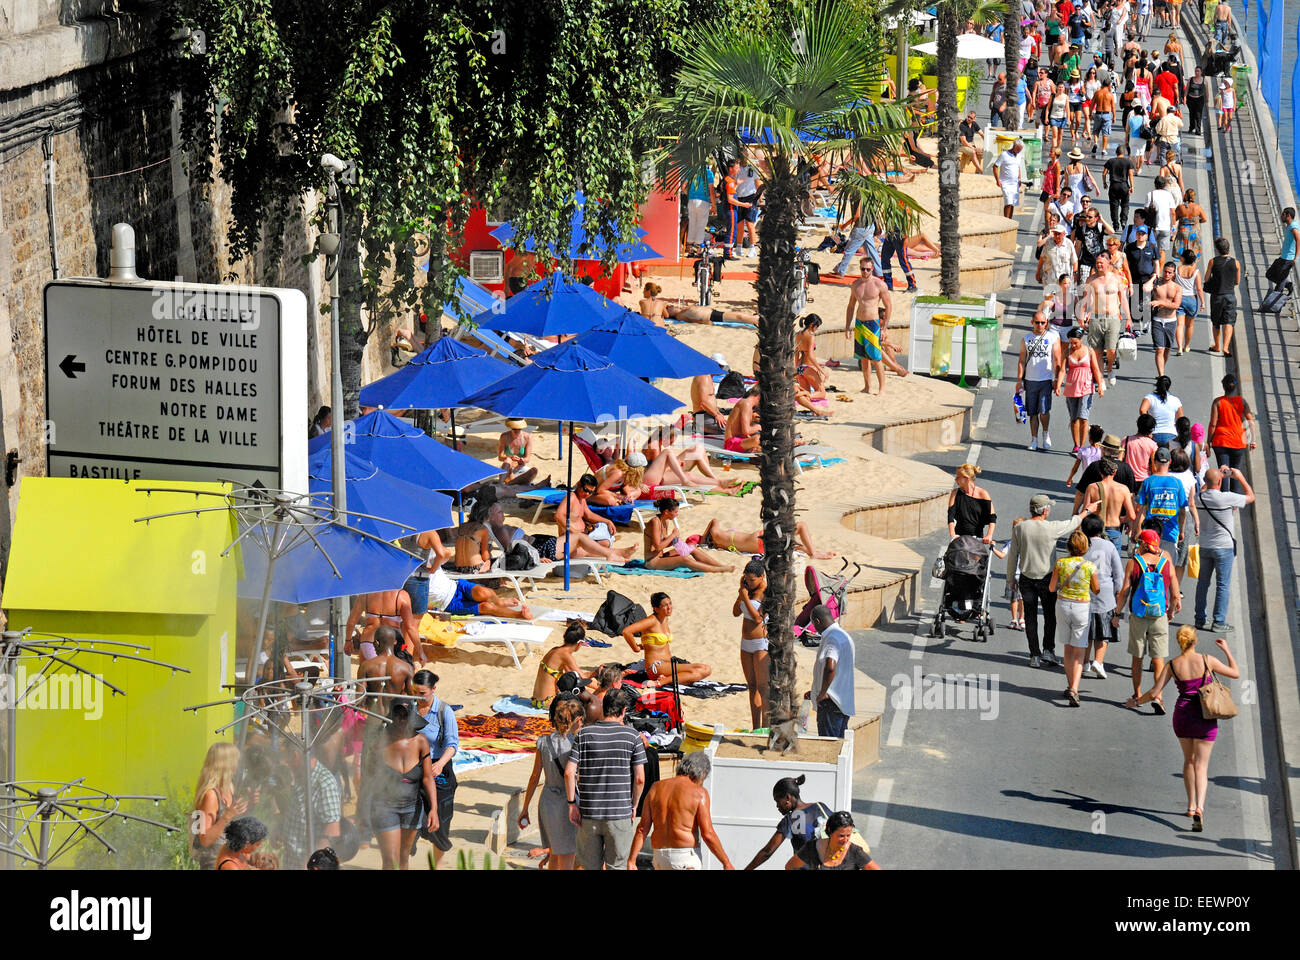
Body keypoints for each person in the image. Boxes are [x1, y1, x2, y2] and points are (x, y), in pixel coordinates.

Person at [1127, 627, 1239, 831]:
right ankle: (1200, 808)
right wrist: (1227, 651)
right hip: (1204, 716)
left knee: (1189, 761)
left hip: (1183, 715)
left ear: (1180, 642)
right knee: (1201, 766)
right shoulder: (1207, 660)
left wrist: (1135, 702)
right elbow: (1235, 673)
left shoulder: (1172, 665)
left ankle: (1190, 805)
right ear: (1195, 641)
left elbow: (1154, 693)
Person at [1007, 492, 1096, 667]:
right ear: (1044, 510)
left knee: (1030, 617)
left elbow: (1013, 555)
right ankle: (1048, 650)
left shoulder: (1020, 528)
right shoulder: (1052, 527)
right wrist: (1087, 510)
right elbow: (1073, 522)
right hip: (1047, 578)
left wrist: (1010, 578)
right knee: (1049, 616)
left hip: (1026, 578)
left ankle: (1034, 655)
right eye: (1048, 508)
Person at [565, 687, 646, 870]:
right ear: (624, 711)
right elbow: (640, 778)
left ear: (603, 708)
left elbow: (569, 772)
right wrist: (634, 805)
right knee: (617, 866)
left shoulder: (584, 734)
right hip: (619, 813)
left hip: (589, 813)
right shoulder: (633, 736)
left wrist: (572, 804)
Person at [627, 751, 732, 870]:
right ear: (702, 773)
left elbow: (642, 829)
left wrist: (632, 860)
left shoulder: (655, 788)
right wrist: (726, 862)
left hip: (659, 857)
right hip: (685, 859)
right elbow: (707, 834)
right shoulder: (699, 793)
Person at [1116, 529, 1180, 712]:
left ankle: (1137, 694)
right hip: (1159, 615)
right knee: (1158, 659)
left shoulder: (1133, 563)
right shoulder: (1166, 563)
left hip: (1138, 615)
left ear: (1143, 544)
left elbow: (1124, 592)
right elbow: (1175, 595)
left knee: (1137, 658)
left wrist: (1117, 614)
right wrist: (1170, 612)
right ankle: (1158, 696)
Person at [370, 700, 437, 870]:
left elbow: (428, 778)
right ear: (391, 717)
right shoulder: (380, 742)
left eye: (405, 716)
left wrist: (434, 809)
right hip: (385, 807)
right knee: (390, 861)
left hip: (412, 808)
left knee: (403, 858)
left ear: (411, 718)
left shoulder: (420, 741)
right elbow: (369, 778)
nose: (401, 720)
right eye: (397, 715)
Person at [520, 697, 583, 870]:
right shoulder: (575, 744)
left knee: (554, 853)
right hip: (568, 801)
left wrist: (525, 808)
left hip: (547, 802)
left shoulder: (543, 742)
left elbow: (534, 777)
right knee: (568, 855)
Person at [1195, 467, 1254, 631]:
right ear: (1220, 481)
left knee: (1203, 583)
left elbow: (1205, 488)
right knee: (1222, 585)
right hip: (1224, 547)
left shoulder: (1198, 497)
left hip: (1205, 545)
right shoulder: (1227, 498)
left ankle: (1200, 619)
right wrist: (1239, 477)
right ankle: (1219, 622)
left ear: (1205, 482)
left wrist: (1214, 477)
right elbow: (1251, 497)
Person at [412, 670, 459, 866]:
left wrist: (439, 764)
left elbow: (452, 744)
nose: (418, 697)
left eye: (422, 693)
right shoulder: (410, 708)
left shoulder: (444, 711)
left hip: (439, 771)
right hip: (415, 768)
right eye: (415, 692)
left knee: (440, 823)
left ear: (433, 689)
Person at [1049, 530, 1101, 706]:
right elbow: (1096, 589)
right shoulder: (1090, 566)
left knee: (1067, 648)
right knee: (1080, 651)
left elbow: (1051, 588)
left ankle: (1070, 684)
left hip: (1063, 605)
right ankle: (1074, 689)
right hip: (1082, 607)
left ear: (1069, 546)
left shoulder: (1060, 563)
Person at [745, 774, 834, 869]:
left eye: (778, 801)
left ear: (788, 798)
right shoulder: (820, 807)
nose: (777, 806)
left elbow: (767, 852)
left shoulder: (790, 820)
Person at [621, 592, 712, 685]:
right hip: (656, 666)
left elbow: (653, 642)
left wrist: (646, 645)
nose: (669, 607)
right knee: (700, 671)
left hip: (668, 664)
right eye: (665, 605)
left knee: (706, 669)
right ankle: (660, 682)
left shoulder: (665, 619)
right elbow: (626, 632)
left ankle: (667, 679)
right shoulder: (651, 621)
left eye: (670, 603)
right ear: (656, 609)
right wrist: (636, 648)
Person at [1137, 445, 1198, 574]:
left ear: (1154, 462)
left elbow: (1141, 509)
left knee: (1148, 571)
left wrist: (1136, 530)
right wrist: (1181, 530)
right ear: (1170, 462)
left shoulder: (1148, 481)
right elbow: (1183, 510)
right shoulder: (1177, 483)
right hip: (1171, 532)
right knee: (1167, 572)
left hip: (1150, 533)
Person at [190, 743, 249, 870]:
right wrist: (227, 816)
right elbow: (205, 839)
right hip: (214, 863)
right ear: (225, 764)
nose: (238, 765)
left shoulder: (230, 788)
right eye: (235, 761)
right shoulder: (210, 795)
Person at [1082, 512, 1125, 679]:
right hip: (1105, 593)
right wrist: (1118, 592)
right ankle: (1098, 662)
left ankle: (1085, 661)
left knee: (1087, 631)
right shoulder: (1109, 546)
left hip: (1084, 592)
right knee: (1104, 631)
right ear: (1101, 529)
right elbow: (1118, 573)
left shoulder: (1081, 544)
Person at [554, 474, 637, 561]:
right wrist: (574, 532)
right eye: (585, 490)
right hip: (570, 539)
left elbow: (588, 515)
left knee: (605, 542)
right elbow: (558, 516)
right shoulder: (571, 497)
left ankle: (617, 553)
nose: (587, 494)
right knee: (581, 551)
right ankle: (620, 552)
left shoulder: (582, 499)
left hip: (583, 535)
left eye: (591, 492)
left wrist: (608, 521)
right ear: (579, 484)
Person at [1077, 251, 1130, 384]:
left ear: (1108, 263)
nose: (1099, 265)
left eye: (1101, 263)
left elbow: (1123, 299)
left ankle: (1110, 368)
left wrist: (1129, 318)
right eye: (1097, 263)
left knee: (1111, 350)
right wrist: (1081, 317)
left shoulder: (1116, 279)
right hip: (1096, 318)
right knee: (1097, 352)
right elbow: (1085, 300)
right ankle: (1099, 379)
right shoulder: (1091, 280)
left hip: (1113, 318)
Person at [643, 498, 733, 573]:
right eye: (675, 512)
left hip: (661, 556)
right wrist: (672, 535)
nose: (677, 514)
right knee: (684, 559)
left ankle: (720, 566)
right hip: (652, 562)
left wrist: (674, 541)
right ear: (666, 512)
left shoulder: (665, 522)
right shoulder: (655, 522)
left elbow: (662, 543)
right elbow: (658, 547)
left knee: (691, 547)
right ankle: (716, 570)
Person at [1017, 312, 1064, 452]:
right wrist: (1019, 380)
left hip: (1046, 379)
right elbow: (1021, 361)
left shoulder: (1052, 338)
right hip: (1030, 380)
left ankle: (1045, 433)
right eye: (1037, 322)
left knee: (1044, 410)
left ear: (1046, 323)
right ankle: (1034, 439)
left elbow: (1057, 359)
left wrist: (1056, 379)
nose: (1040, 325)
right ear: (1032, 322)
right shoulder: (1026, 339)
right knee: (1032, 412)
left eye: (1043, 322)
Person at [845, 261, 893, 394]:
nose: (865, 272)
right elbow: (851, 306)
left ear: (872, 269)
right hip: (859, 323)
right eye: (862, 269)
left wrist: (884, 328)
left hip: (873, 324)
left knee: (876, 358)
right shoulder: (856, 285)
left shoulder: (879, 284)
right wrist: (847, 327)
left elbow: (888, 306)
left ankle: (882, 388)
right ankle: (867, 387)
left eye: (868, 269)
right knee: (863, 358)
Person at [808, 604, 856, 738]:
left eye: (813, 624)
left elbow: (830, 667)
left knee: (829, 744)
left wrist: (822, 693)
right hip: (841, 702)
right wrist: (815, 690)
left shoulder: (832, 639)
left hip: (830, 703)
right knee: (839, 743)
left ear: (817, 621)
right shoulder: (842, 635)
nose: (814, 628)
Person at [734, 558, 770, 730]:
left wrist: (744, 597)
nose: (749, 582)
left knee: (763, 687)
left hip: (760, 643)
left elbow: (757, 618)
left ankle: (766, 727)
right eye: (746, 579)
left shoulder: (767, 593)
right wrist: (741, 593)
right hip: (746, 643)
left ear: (762, 576)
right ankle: (756, 727)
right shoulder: (747, 590)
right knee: (752, 686)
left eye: (752, 580)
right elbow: (735, 612)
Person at [1057, 327, 1105, 451]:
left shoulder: (1089, 351)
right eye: (1071, 343)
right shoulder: (1067, 352)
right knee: (1074, 419)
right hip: (1071, 388)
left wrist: (1100, 385)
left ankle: (1082, 446)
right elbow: (1062, 370)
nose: (1073, 345)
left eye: (1075, 343)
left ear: (1081, 340)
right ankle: (1076, 445)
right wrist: (1058, 385)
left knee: (1083, 417)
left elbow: (1096, 369)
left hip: (1086, 387)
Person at [1206, 373, 1256, 492]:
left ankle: (1223, 496)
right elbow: (1251, 422)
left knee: (1224, 471)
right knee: (1235, 471)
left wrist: (1208, 441)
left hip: (1221, 441)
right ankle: (1234, 499)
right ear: (1235, 387)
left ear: (1223, 386)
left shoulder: (1218, 402)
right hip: (1238, 442)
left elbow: (1213, 424)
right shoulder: (1242, 402)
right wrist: (1253, 441)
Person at [699, 517, 834, 560]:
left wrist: (707, 543)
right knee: (801, 526)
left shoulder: (721, 543)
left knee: (792, 545)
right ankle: (814, 553)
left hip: (760, 547)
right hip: (759, 539)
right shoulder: (717, 535)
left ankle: (814, 552)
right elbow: (714, 520)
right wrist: (703, 539)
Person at [785, 810, 880, 870]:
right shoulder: (812, 848)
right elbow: (790, 866)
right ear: (830, 831)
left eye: (848, 835)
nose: (845, 840)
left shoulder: (855, 852)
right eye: (841, 836)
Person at [1204, 237, 1240, 356]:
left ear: (1217, 249)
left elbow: (1206, 278)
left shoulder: (1212, 261)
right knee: (1229, 322)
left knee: (1216, 322)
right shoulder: (1236, 263)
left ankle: (1217, 346)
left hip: (1217, 296)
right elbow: (1237, 281)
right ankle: (1226, 347)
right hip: (1230, 295)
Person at [1125, 222, 1161, 331]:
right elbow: (1127, 264)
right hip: (1134, 278)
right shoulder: (1130, 247)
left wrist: (1156, 277)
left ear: (1146, 235)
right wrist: (1127, 279)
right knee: (1134, 302)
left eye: (1143, 234)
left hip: (1148, 279)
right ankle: (1136, 326)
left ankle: (1146, 322)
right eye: (1138, 233)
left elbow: (1156, 263)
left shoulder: (1152, 247)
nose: (1140, 235)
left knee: (1146, 301)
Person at [947, 463, 997, 542]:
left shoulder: (983, 494)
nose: (955, 479)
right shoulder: (955, 493)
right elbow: (950, 516)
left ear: (966, 478)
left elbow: (992, 517)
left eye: (958, 477)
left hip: (977, 538)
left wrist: (989, 535)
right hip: (959, 538)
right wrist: (953, 535)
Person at [1149, 260, 1181, 376]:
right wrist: (1152, 279)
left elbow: (1176, 305)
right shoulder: (1157, 284)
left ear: (1173, 274)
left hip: (1171, 321)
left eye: (1169, 272)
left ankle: (1161, 370)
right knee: (1160, 349)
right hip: (1157, 320)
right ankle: (1161, 375)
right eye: (1165, 271)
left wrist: (1160, 303)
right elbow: (1145, 288)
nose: (1167, 274)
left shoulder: (1177, 288)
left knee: (1167, 349)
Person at [1038, 223, 1078, 314]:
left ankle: (1061, 317)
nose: (1057, 236)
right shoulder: (1048, 243)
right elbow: (1042, 258)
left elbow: (1075, 261)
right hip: (1050, 278)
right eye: (1055, 233)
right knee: (1049, 300)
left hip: (1064, 279)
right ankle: (1046, 318)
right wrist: (1038, 272)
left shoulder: (1068, 244)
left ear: (1064, 234)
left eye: (1059, 234)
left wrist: (1075, 274)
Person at [1170, 249, 1202, 355]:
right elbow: (1199, 289)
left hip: (1179, 298)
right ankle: (1186, 346)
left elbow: (1172, 282)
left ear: (1183, 258)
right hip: (1192, 300)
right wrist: (1202, 302)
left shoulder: (1177, 269)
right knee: (1189, 326)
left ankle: (1179, 347)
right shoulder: (1196, 272)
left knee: (1179, 324)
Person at [1140, 375, 1184, 446]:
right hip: (1171, 436)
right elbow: (1181, 419)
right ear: (1169, 386)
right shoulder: (1176, 400)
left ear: (1157, 384)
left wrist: (1147, 429)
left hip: (1153, 435)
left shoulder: (1150, 398)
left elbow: (1142, 410)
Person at [1266, 207, 1299, 293]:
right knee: (1269, 274)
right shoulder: (1290, 225)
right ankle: (1287, 284)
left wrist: (1295, 257)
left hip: (1288, 259)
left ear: (1288, 216)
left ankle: (1276, 299)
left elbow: (1298, 240)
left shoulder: (1293, 228)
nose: (1281, 216)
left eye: (1283, 214)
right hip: (1283, 257)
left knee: (1279, 285)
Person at [684, 164, 717, 252]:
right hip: (703, 201)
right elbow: (711, 190)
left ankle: (689, 247)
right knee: (701, 225)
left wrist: (690, 195)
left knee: (692, 223)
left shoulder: (691, 171)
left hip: (691, 200)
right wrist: (714, 206)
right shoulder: (708, 173)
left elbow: (683, 187)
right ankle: (698, 248)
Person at [495, 419, 538, 485]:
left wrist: (522, 460)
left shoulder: (527, 437)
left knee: (534, 470)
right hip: (509, 468)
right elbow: (500, 457)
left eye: (519, 429)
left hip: (520, 467)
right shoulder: (504, 436)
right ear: (510, 428)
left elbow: (527, 458)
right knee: (508, 460)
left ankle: (511, 483)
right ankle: (507, 483)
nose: (516, 431)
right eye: (514, 429)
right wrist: (510, 457)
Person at [1103, 143, 1135, 231]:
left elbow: (1104, 173)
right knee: (1125, 205)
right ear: (1124, 153)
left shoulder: (1111, 161)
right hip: (1124, 185)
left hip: (1113, 185)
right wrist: (1132, 186)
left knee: (1114, 206)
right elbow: (1130, 174)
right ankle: (1123, 220)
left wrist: (1104, 183)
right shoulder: (1128, 162)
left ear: (1116, 152)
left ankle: (1115, 224)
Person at [994, 138, 1027, 218]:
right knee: (1008, 202)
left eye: (1020, 149)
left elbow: (1018, 167)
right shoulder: (1004, 154)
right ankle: (1006, 220)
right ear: (1014, 146)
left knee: (1012, 203)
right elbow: (995, 166)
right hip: (1005, 183)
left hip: (1015, 183)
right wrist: (997, 180)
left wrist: (1019, 179)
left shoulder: (1019, 156)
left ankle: (1010, 219)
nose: (1019, 151)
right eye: (1018, 149)